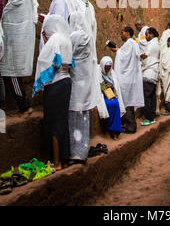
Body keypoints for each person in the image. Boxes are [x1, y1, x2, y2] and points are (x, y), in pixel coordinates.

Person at [33, 15, 74, 170]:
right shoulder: (66, 39)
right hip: (66, 81)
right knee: (62, 120)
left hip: (55, 84)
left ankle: (56, 162)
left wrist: (40, 81)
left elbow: (52, 61)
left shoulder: (55, 39)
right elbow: (70, 62)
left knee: (53, 122)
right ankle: (64, 158)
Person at [0, 0, 39, 116]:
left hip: (14, 43)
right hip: (22, 43)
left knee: (12, 75)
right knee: (14, 76)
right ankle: (24, 106)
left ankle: (25, 107)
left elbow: (6, 17)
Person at [68, 12, 101, 164]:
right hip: (86, 83)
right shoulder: (88, 37)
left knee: (74, 118)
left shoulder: (74, 36)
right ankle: (83, 149)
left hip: (76, 83)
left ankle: (75, 153)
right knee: (84, 117)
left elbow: (67, 56)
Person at [112, 26, 144, 134]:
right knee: (128, 102)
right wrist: (119, 50)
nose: (121, 34)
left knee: (127, 102)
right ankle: (128, 124)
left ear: (128, 33)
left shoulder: (130, 43)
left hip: (126, 78)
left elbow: (124, 57)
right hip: (131, 77)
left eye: (122, 32)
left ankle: (131, 127)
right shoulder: (133, 44)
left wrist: (117, 50)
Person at [99, 56, 125, 140]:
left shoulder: (112, 74)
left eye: (109, 68)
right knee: (109, 104)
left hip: (111, 95)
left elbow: (116, 87)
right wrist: (103, 87)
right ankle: (109, 127)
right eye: (106, 68)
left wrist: (112, 86)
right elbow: (95, 86)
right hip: (102, 96)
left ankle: (115, 131)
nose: (107, 70)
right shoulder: (98, 73)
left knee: (116, 103)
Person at [140, 28, 160, 126]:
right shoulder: (157, 43)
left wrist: (138, 55)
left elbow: (145, 56)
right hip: (154, 73)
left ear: (151, 34)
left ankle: (148, 118)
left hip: (149, 72)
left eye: (147, 34)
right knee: (152, 96)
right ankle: (152, 117)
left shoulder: (152, 44)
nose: (146, 36)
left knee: (147, 96)